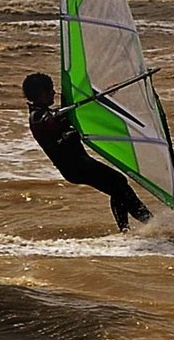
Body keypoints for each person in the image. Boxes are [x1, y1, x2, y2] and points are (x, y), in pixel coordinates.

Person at [22, 72, 152, 231]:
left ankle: (132, 228)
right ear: (42, 94)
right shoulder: (37, 117)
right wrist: (65, 115)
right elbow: (49, 123)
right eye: (51, 91)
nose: (54, 93)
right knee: (118, 183)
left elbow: (60, 116)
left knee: (118, 186)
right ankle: (147, 223)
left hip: (79, 163)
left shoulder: (47, 113)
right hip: (74, 166)